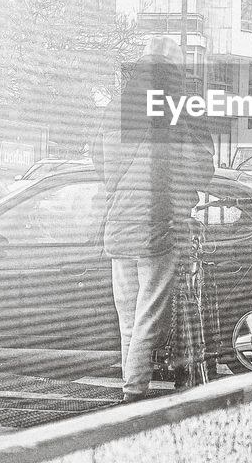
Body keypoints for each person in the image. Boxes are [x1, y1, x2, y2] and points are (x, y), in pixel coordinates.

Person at [92, 37, 216, 402]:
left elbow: (99, 160)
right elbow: (200, 169)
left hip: (118, 226)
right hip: (157, 224)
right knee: (150, 317)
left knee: (128, 318)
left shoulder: (119, 107)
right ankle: (133, 393)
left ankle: (130, 387)